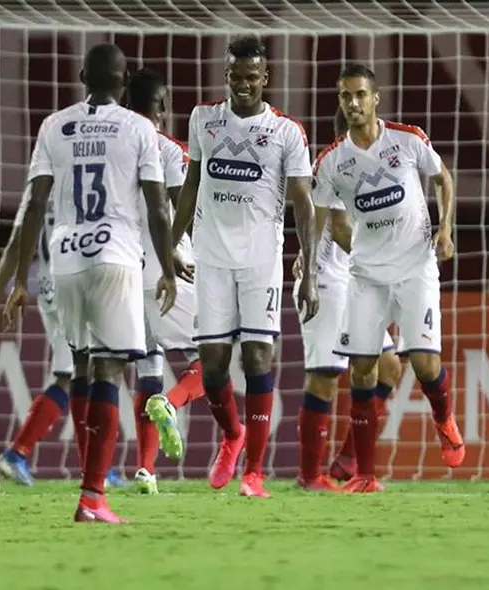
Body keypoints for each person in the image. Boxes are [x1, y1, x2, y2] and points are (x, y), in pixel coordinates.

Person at [3, 43, 177, 522]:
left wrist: (22, 280)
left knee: (80, 367)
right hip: (115, 256)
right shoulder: (140, 127)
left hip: (64, 258)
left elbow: (34, 205)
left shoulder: (54, 125)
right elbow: (158, 207)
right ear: (124, 84)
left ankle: (88, 486)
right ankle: (93, 496)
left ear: (82, 75)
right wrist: (165, 267)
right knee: (108, 371)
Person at [171, 35, 318, 498]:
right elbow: (190, 184)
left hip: (260, 262)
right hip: (211, 259)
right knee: (213, 367)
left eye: (253, 77)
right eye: (237, 77)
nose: (244, 86)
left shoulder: (287, 132)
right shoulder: (203, 120)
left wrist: (309, 271)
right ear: (226, 75)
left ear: (266, 77)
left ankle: (254, 471)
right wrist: (170, 249)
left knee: (257, 356)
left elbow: (304, 206)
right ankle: (232, 435)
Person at [313, 64, 464, 492]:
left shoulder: (408, 139)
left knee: (424, 364)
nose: (354, 103)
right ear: (340, 102)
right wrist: (339, 254)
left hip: (416, 267)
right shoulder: (332, 163)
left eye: (361, 95)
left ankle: (443, 417)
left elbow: (442, 178)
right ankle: (364, 475)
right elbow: (330, 220)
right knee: (362, 371)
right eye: (346, 97)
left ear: (375, 98)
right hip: (367, 276)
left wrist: (446, 228)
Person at [0, 184, 124, 490]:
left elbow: (19, 242)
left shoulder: (39, 186)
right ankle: (91, 468)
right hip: (78, 287)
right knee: (89, 372)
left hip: (50, 290)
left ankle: (22, 453)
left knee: (70, 374)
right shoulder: (88, 177)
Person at [294, 107, 404, 491]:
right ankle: (310, 476)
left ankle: (347, 460)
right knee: (325, 376)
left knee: (389, 368)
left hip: (353, 283)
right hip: (327, 282)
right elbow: (341, 229)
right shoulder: (337, 164)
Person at [124, 68, 208, 494]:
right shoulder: (172, 151)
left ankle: (145, 469)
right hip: (167, 269)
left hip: (121, 272)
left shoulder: (113, 146)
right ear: (163, 106)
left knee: (148, 368)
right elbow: (179, 209)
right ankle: (170, 404)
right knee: (212, 359)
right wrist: (176, 252)